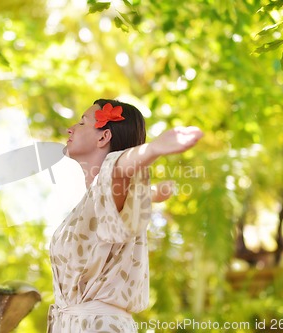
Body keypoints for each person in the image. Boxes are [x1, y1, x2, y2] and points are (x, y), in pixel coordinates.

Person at [48, 99, 203, 332]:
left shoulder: (110, 181)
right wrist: (151, 194)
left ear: (103, 137)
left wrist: (153, 149)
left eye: (82, 122)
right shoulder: (98, 199)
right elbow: (120, 191)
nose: (71, 128)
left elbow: (118, 167)